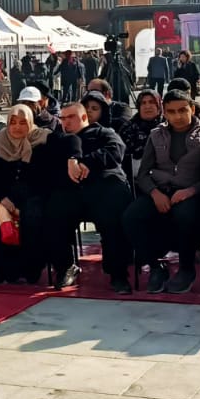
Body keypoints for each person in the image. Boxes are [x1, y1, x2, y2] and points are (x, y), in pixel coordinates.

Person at [123, 90, 200, 294]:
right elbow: (143, 173)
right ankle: (156, 267)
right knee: (131, 216)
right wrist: (155, 193)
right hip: (160, 191)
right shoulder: (156, 135)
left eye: (183, 110)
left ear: (192, 108)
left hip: (190, 192)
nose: (177, 116)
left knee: (185, 215)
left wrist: (191, 191)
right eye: (171, 111)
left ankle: (186, 269)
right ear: (164, 112)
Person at [56, 100, 133, 292]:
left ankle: (118, 274)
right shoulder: (58, 140)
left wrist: (84, 163)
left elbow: (116, 151)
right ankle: (65, 266)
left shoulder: (103, 133)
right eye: (63, 118)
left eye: (71, 117)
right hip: (73, 192)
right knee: (52, 213)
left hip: (104, 187)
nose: (66, 122)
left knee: (112, 214)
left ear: (84, 117)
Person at [0, 105, 52, 284]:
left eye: (23, 122)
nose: (17, 127)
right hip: (0, 195)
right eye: (13, 123)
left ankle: (30, 269)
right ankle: (1, 269)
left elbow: (39, 177)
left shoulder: (41, 141)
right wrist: (1, 197)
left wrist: (14, 198)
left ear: (31, 122)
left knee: (33, 218)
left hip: (31, 194)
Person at [119, 89, 164, 165]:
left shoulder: (168, 126)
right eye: (143, 103)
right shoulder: (128, 128)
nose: (147, 106)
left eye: (151, 102)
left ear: (158, 105)